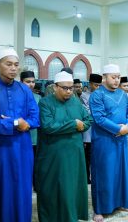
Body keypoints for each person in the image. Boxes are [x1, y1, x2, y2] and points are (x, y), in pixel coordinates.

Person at [0, 48, 39, 221]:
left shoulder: (25, 90)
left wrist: (26, 123)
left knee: (21, 189)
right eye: (9, 64)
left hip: (23, 149)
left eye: (16, 65)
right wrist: (15, 122)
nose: (13, 68)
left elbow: (35, 118)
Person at [35, 71, 91, 221]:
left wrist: (82, 125)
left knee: (72, 188)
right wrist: (74, 124)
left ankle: (71, 216)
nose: (68, 91)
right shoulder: (45, 103)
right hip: (54, 154)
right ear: (55, 87)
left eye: (71, 88)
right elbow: (49, 126)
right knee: (52, 188)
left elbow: (87, 120)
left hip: (74, 153)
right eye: (65, 88)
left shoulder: (75, 101)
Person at [89, 64, 128, 221]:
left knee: (120, 172)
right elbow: (99, 118)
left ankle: (121, 202)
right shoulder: (97, 95)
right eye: (113, 77)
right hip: (104, 141)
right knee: (104, 174)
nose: (116, 80)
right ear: (104, 78)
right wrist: (117, 129)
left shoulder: (123, 94)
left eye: (118, 77)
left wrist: (127, 125)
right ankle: (99, 209)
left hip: (120, 140)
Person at [80, 73, 102, 184]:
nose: (97, 88)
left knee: (98, 157)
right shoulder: (84, 95)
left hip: (100, 130)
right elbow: (86, 112)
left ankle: (96, 176)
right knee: (88, 157)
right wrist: (99, 113)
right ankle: (86, 178)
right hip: (89, 131)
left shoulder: (102, 94)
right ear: (90, 84)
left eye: (99, 85)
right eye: (96, 85)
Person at [20, 71, 42, 156]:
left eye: (33, 82)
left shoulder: (38, 97)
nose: (31, 84)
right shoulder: (16, 96)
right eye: (28, 82)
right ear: (21, 82)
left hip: (35, 137)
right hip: (20, 134)